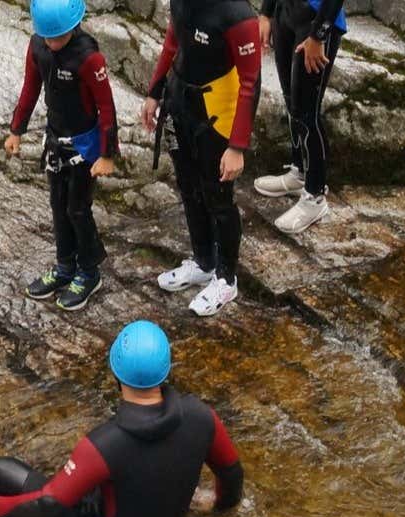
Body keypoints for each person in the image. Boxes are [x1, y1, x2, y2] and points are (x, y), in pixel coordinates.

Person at [0, 320, 244, 517]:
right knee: (89, 484)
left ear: (116, 373)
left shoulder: (104, 443)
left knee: (1, 472)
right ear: (165, 371)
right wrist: (217, 507)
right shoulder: (203, 416)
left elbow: (49, 504)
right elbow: (232, 476)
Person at [139, 0, 264, 317]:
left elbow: (251, 82)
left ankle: (226, 278)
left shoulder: (238, 15)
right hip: (180, 102)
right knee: (189, 187)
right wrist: (154, 92)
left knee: (218, 197)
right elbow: (173, 40)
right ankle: (204, 262)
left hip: (217, 114)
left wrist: (237, 147)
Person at [7, 0, 120, 311]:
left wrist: (108, 154)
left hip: (85, 145)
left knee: (78, 209)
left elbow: (106, 107)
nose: (52, 44)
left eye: (57, 38)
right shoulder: (39, 46)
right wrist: (17, 130)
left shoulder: (89, 57)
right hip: (56, 139)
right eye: (47, 37)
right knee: (58, 205)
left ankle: (88, 271)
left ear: (73, 27)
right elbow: (30, 88)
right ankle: (65, 265)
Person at [255, 0, 348, 233]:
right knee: (292, 103)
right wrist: (266, 13)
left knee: (307, 111)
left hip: (316, 19)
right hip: (285, 12)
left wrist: (318, 36)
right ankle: (299, 173)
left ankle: (315, 196)